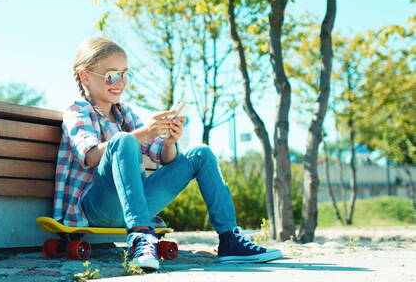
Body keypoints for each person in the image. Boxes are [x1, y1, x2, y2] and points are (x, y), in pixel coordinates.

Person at [53, 37, 282, 271]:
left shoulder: (125, 114)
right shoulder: (77, 110)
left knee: (200, 153)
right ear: (85, 76)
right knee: (123, 140)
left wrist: (170, 141)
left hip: (136, 205)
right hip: (96, 207)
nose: (120, 82)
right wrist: (142, 133)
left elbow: (164, 158)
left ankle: (230, 240)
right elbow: (90, 156)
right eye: (111, 75)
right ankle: (141, 237)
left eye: (124, 74)